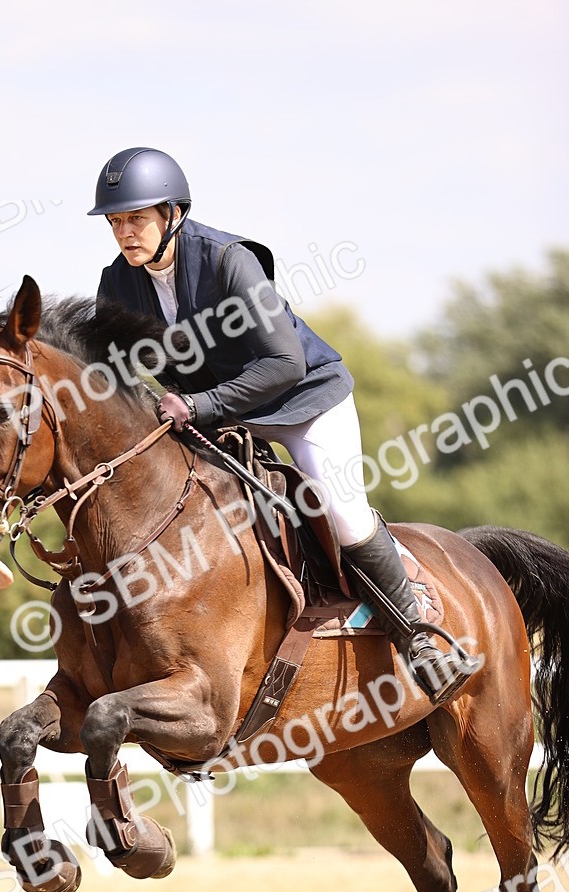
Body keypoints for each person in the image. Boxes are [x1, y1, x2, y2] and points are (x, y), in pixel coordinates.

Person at [88, 146, 476, 705]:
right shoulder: (117, 282)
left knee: (342, 513)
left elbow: (283, 363)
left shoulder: (227, 260)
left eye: (136, 218)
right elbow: (112, 370)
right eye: (116, 221)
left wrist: (198, 407)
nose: (125, 233)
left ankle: (418, 638)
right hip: (220, 411)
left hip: (302, 401)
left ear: (173, 214)